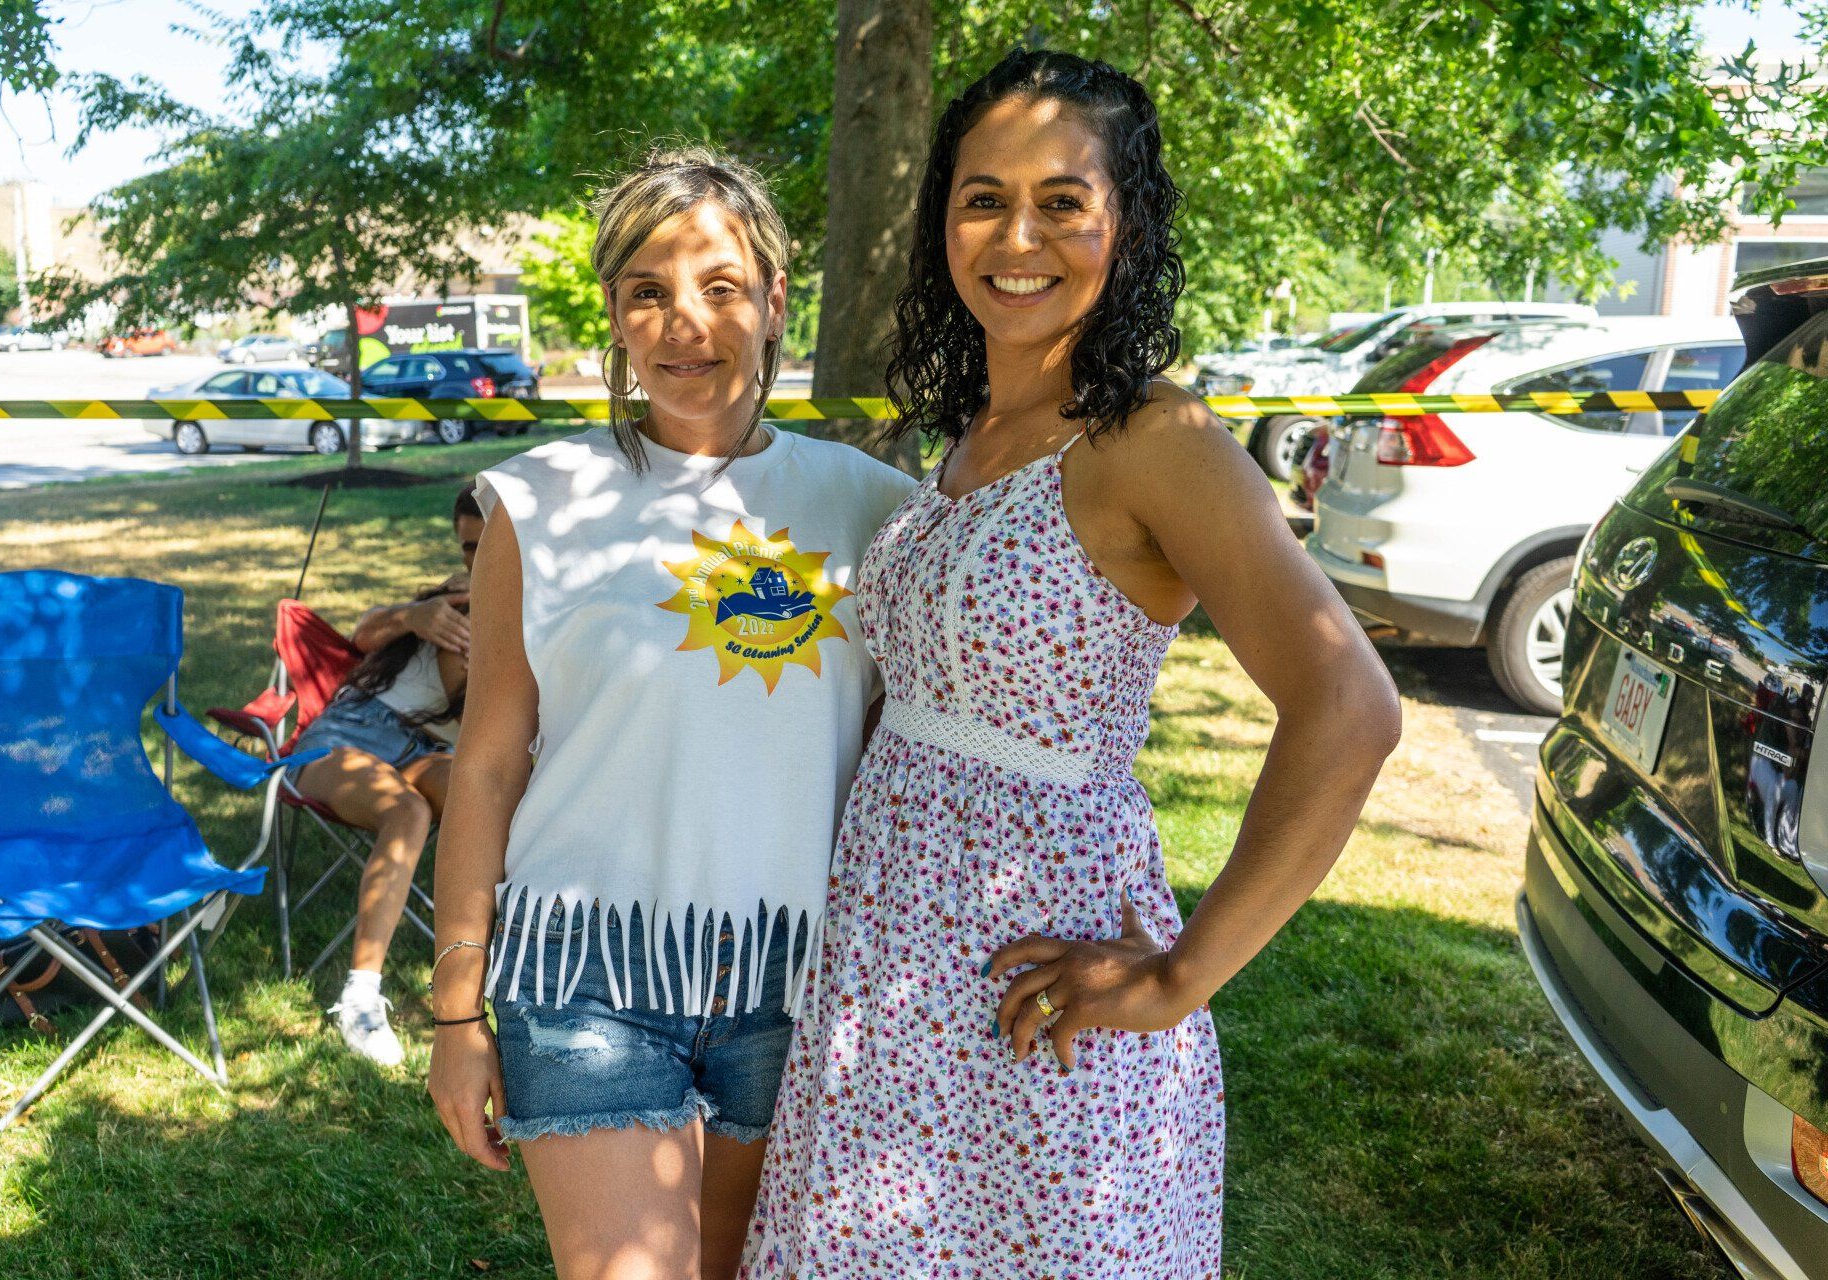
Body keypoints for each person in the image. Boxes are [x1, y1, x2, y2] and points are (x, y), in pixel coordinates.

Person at [740, 50, 1403, 1278]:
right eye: (983, 198)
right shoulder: (971, 435)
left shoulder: (1155, 437)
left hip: (1036, 978)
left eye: (1063, 199)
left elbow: (1350, 706)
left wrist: (1181, 974)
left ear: (1127, 221)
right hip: (886, 966)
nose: (1018, 233)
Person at [425, 147, 915, 1280]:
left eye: (719, 285)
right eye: (647, 290)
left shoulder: (872, 505)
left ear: (775, 296)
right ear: (614, 313)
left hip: (796, 985)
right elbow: (488, 764)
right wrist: (458, 1013)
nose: (684, 322)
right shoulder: (535, 501)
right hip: (582, 981)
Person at [295, 483, 485, 1066]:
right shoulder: (452, 605)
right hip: (349, 736)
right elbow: (363, 634)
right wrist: (414, 615)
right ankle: (360, 998)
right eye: (467, 549)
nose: (474, 563)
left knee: (491, 804)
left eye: (487, 548)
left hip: (424, 750)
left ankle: (515, 974)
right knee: (407, 812)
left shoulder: (541, 614)